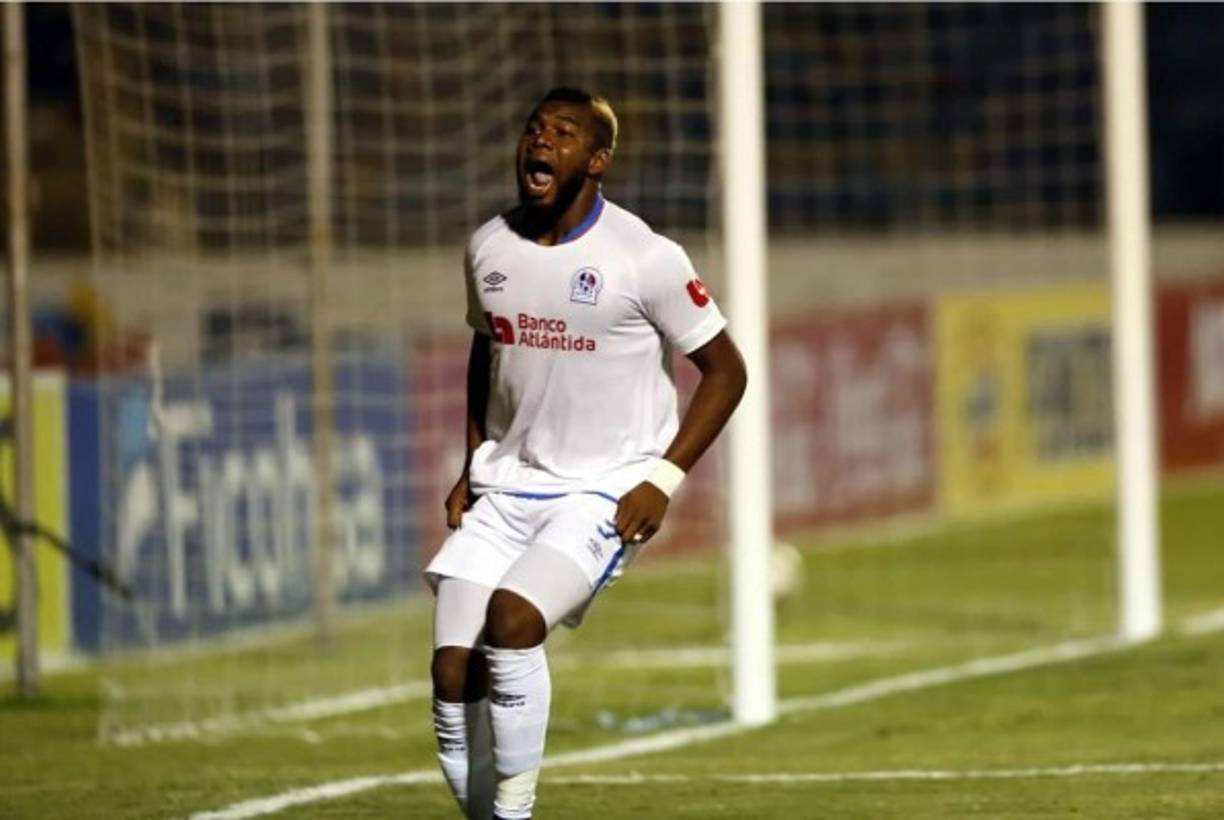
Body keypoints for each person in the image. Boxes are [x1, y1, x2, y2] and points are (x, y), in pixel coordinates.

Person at [425, 86, 748, 819]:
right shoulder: (488, 247)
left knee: (512, 622)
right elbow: (490, 351)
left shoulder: (646, 259)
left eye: (564, 134)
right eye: (535, 128)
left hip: (603, 491)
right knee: (451, 673)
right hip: (506, 488)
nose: (541, 141)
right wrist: (472, 462)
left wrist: (662, 479)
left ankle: (515, 810)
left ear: (597, 161)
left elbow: (727, 371)